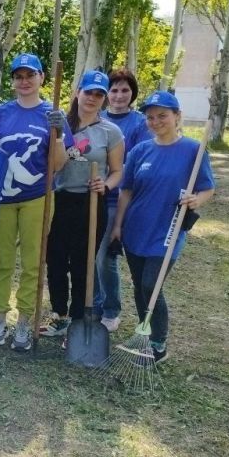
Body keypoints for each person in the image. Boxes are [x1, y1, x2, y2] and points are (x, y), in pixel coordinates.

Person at [110, 90, 215, 362]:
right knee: (138, 284)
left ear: (177, 117)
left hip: (167, 230)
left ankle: (158, 342)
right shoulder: (140, 151)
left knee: (150, 284)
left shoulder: (194, 151)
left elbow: (207, 188)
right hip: (136, 228)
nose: (156, 121)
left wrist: (196, 199)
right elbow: (126, 192)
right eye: (151, 117)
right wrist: (118, 226)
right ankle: (144, 331)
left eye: (163, 116)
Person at [0, 53, 72, 352]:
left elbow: (58, 164)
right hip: (4, 198)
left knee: (33, 262)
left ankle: (24, 320)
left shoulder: (52, 113)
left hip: (38, 198)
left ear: (41, 78)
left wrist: (58, 136)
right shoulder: (1, 115)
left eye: (30, 75)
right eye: (18, 76)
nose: (24, 81)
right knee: (3, 259)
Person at [40, 70, 124, 338]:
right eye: (89, 92)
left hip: (91, 203)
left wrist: (106, 185)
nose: (93, 98)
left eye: (99, 94)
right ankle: (59, 315)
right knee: (54, 259)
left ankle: (77, 319)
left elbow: (117, 170)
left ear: (104, 99)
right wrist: (57, 134)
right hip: (62, 199)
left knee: (82, 263)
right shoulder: (60, 123)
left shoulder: (111, 131)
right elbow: (55, 165)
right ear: (78, 92)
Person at [94, 68, 151, 331]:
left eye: (124, 90)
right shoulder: (97, 117)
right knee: (89, 255)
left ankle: (110, 309)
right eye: (113, 90)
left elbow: (140, 161)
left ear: (132, 93)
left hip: (117, 199)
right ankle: (91, 305)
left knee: (105, 257)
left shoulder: (139, 124)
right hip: (90, 197)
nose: (118, 95)